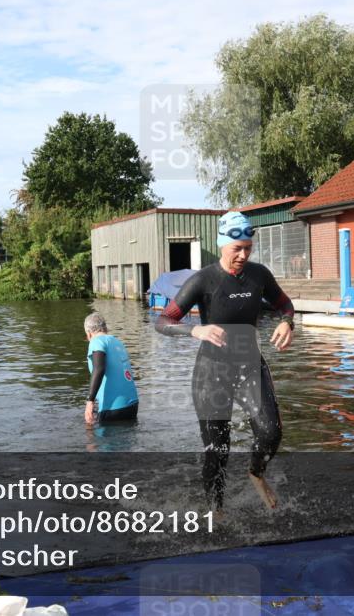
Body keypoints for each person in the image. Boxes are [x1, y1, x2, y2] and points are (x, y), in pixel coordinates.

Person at [155, 211, 295, 511]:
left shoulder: (259, 275)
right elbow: (163, 321)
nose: (243, 255)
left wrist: (287, 323)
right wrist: (196, 329)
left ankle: (256, 473)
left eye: (248, 248)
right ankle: (216, 511)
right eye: (237, 249)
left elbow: (284, 304)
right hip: (211, 372)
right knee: (218, 451)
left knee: (271, 432)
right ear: (221, 246)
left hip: (249, 365)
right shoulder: (203, 280)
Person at [84, 312, 139, 425]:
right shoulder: (117, 342)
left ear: (89, 333)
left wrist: (90, 402)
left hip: (114, 408)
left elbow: (99, 369)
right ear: (105, 328)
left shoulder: (96, 342)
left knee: (98, 440)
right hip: (132, 405)